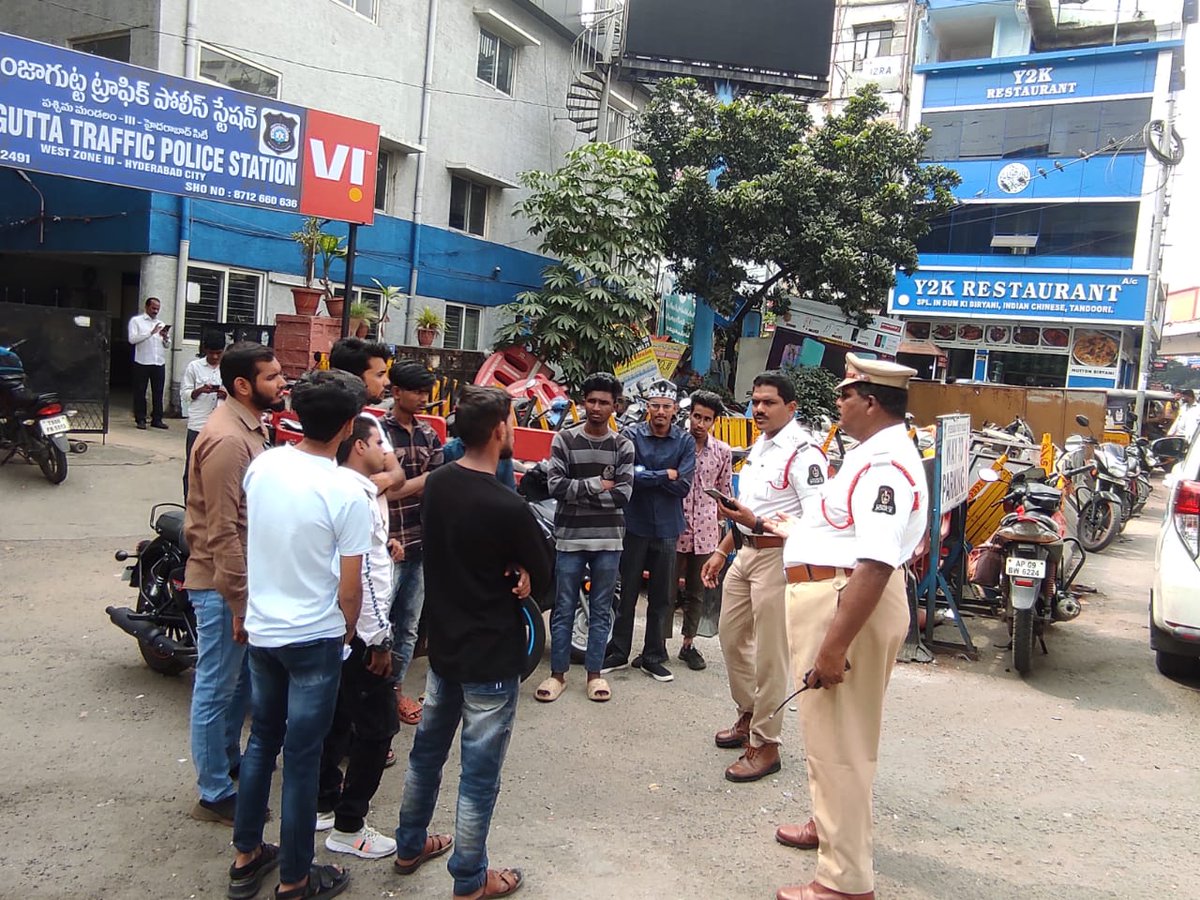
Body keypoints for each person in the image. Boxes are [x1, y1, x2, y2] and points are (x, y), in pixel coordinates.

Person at [751, 354, 927, 900]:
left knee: (840, 745)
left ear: (871, 401)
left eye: (846, 394)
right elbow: (846, 530)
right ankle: (831, 830)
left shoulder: (883, 466)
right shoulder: (871, 453)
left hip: (844, 603)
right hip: (836, 593)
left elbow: (874, 563)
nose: (838, 403)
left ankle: (844, 883)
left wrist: (833, 647)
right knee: (833, 736)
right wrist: (792, 530)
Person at [393, 385, 551, 900]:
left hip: (445, 648)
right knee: (479, 775)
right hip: (491, 656)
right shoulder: (508, 505)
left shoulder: (438, 483)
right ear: (501, 430)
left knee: (427, 754)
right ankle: (469, 878)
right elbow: (545, 578)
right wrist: (524, 572)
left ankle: (409, 844)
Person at [227, 370, 373, 900]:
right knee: (303, 758)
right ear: (349, 426)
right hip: (314, 638)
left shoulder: (265, 464)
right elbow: (351, 588)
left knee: (262, 740)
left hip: (265, 630)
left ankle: (246, 856)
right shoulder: (347, 490)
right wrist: (348, 632)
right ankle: (294, 878)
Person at [700, 371, 828, 783]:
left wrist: (756, 521)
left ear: (791, 408)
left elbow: (816, 521)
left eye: (769, 402)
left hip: (778, 559)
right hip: (744, 552)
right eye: (755, 401)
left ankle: (766, 744)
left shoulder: (805, 454)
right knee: (731, 637)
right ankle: (749, 714)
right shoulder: (761, 445)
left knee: (771, 655)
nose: (758, 409)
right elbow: (749, 505)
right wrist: (723, 549)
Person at [182, 341, 286, 826]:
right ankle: (213, 790)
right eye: (273, 377)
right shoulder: (227, 439)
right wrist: (240, 600)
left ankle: (227, 762)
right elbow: (222, 529)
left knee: (237, 686)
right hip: (224, 583)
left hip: (242, 581)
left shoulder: (251, 427)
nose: (282, 384)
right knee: (216, 688)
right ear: (243, 385)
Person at [315, 417, 405, 859]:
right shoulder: (357, 495)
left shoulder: (330, 486)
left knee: (332, 718)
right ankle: (350, 825)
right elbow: (363, 578)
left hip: (331, 628)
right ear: (356, 446)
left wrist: (384, 547)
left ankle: (323, 802)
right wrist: (379, 640)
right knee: (376, 729)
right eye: (378, 442)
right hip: (359, 633)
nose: (384, 450)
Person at [536, 372, 634, 704]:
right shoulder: (564, 440)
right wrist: (596, 485)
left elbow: (623, 495)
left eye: (603, 402)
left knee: (601, 608)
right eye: (591, 400)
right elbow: (555, 487)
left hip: (608, 540)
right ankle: (557, 675)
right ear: (583, 403)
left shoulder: (623, 445)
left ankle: (595, 675)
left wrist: (578, 491)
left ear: (615, 406)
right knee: (563, 608)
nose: (596, 407)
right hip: (570, 538)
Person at [604, 378, 695, 683]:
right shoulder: (631, 435)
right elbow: (625, 475)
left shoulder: (684, 442)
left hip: (668, 528)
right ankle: (618, 651)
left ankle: (653, 656)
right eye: (654, 405)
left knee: (662, 596)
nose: (659, 412)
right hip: (634, 524)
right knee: (626, 592)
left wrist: (647, 475)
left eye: (666, 407)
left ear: (674, 411)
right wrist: (662, 475)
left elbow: (683, 485)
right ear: (646, 408)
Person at [380, 361, 444, 727]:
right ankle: (372, 696)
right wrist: (419, 482)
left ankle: (394, 692)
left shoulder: (428, 434)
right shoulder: (377, 434)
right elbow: (382, 491)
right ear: (396, 391)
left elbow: (405, 487)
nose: (422, 398)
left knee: (408, 627)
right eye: (416, 391)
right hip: (387, 546)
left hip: (421, 544)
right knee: (378, 626)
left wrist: (403, 484)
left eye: (425, 392)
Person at [673, 390, 732, 671]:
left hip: (707, 531)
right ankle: (656, 646)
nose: (700, 423)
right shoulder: (675, 445)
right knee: (666, 588)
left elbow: (726, 492)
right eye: (696, 416)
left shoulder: (723, 452)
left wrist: (724, 524)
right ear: (689, 415)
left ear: (714, 421)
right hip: (673, 527)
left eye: (707, 419)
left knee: (697, 591)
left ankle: (688, 644)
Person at [329, 337, 407, 498]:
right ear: (354, 378)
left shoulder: (368, 422)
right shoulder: (325, 422)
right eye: (380, 375)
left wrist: (388, 478)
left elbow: (398, 474)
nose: (387, 382)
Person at [180, 331, 226, 499]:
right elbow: (185, 394)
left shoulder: (229, 368)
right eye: (211, 353)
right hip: (197, 425)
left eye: (218, 353)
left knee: (217, 468)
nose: (214, 357)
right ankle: (189, 504)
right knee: (192, 467)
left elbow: (240, 397)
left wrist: (225, 395)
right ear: (205, 350)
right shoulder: (194, 367)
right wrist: (199, 390)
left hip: (221, 427)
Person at [128, 296, 170, 429]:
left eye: (158, 309)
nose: (155, 311)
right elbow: (132, 339)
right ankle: (140, 419)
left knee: (158, 391)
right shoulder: (137, 321)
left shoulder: (161, 324)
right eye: (153, 308)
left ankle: (157, 419)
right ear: (146, 307)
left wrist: (165, 338)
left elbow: (167, 345)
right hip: (142, 361)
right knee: (140, 391)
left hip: (158, 362)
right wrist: (150, 333)